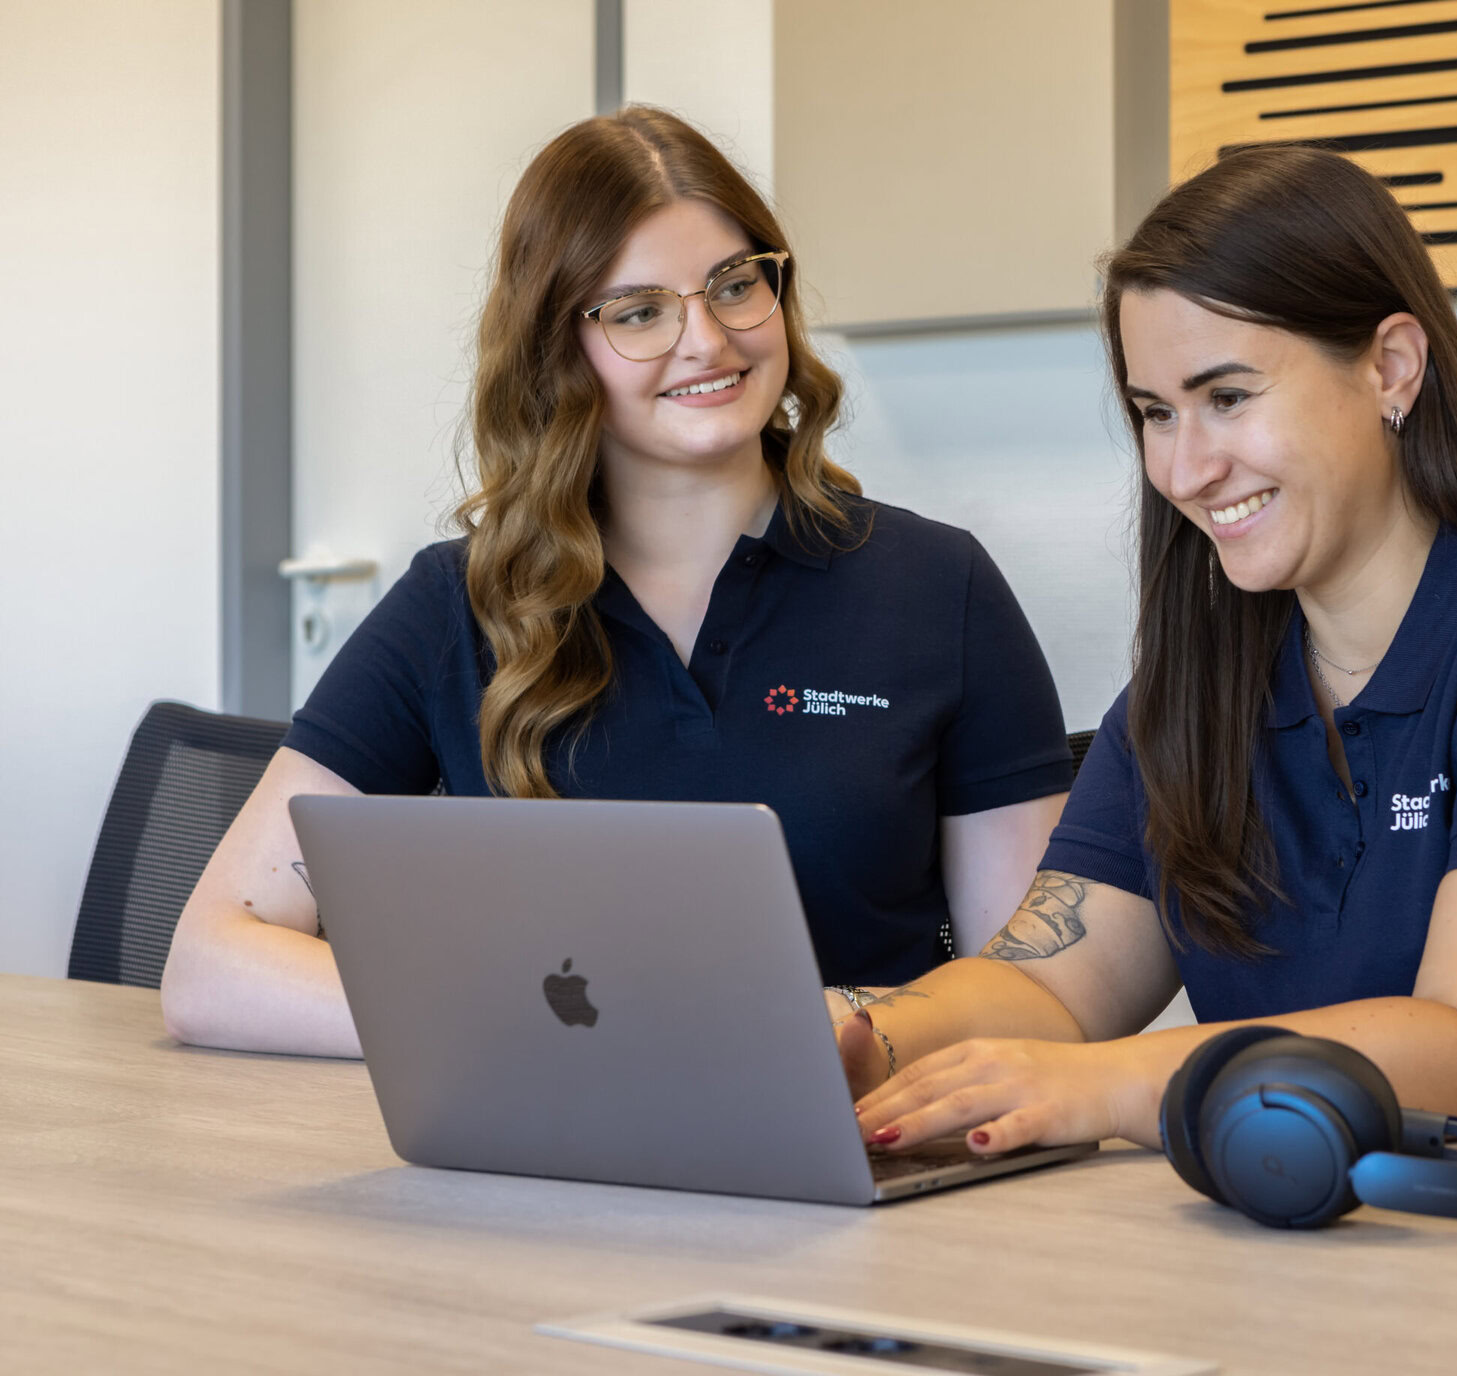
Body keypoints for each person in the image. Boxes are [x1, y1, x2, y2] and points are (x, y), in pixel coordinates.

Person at [839, 145, 1457, 1161]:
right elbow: (1047, 981)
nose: (1185, 466)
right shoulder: (1200, 682)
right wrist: (868, 1041)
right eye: (1154, 413)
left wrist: (1104, 1081)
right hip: (1359, 1257)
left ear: (1390, 367)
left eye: (1229, 396)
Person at [160, 106, 1072, 1058]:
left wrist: (804, 1037)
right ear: (559, 352)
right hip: (541, 1159)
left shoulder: (938, 586)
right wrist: (536, 1024)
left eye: (734, 285)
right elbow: (211, 964)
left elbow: (1034, 991)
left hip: (859, 1141)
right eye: (639, 311)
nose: (707, 340)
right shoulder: (457, 604)